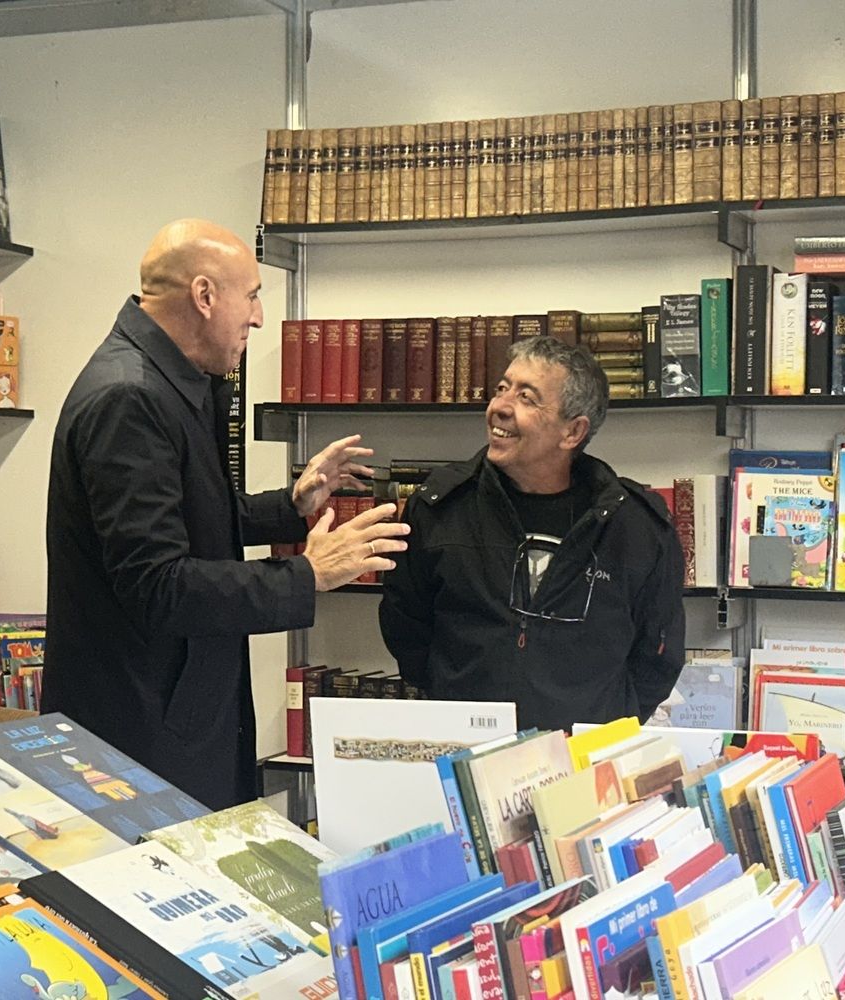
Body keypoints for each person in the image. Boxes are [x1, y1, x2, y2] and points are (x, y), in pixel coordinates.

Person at [42, 218, 408, 810]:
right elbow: (157, 584)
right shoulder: (130, 397)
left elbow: (181, 519)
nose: (259, 318)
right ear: (206, 296)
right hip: (140, 738)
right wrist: (307, 574)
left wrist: (289, 510)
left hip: (168, 718)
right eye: (254, 295)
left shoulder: (167, 381)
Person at [379, 336, 685, 732]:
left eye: (527, 397)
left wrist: (606, 721)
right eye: (502, 389)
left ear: (572, 432)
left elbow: (657, 656)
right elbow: (406, 625)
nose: (500, 407)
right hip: (465, 749)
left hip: (585, 761)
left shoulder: (636, 525)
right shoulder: (441, 508)